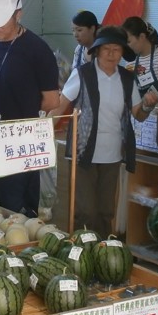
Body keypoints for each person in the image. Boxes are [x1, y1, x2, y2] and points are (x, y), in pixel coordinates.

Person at [0, 0, 60, 216]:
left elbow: (52, 101)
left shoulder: (37, 50)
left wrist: (24, 118)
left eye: (0, 20)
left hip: (20, 144)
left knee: (16, 211)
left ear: (18, 14)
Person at [54, 26, 140, 234]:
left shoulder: (127, 79)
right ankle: (82, 252)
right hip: (84, 152)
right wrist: (43, 129)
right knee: (85, 211)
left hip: (112, 154)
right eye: (106, 49)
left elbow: (138, 113)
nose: (111, 54)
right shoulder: (83, 74)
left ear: (122, 53)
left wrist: (147, 104)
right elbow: (61, 105)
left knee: (105, 211)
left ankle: (102, 251)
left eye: (116, 50)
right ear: (97, 51)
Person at [123, 16, 158, 113]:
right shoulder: (130, 61)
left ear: (142, 37)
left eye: (129, 41)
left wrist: (155, 111)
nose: (126, 46)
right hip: (142, 118)